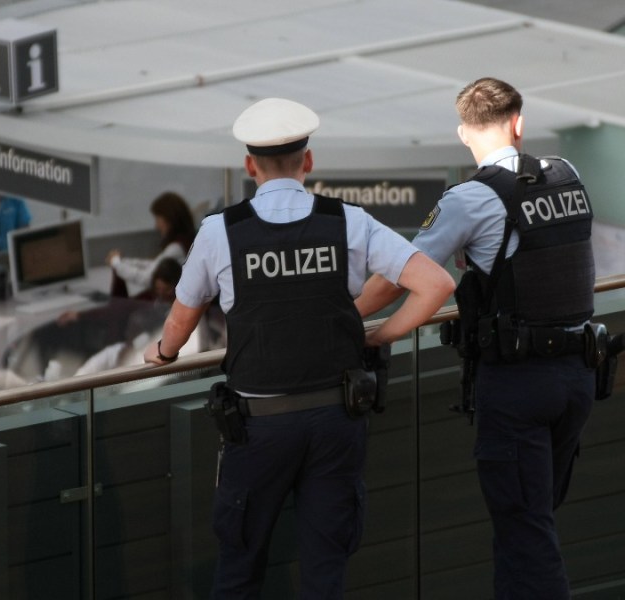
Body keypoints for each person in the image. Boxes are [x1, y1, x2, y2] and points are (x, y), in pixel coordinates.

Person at [143, 97, 455, 599]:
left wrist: (161, 352)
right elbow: (436, 284)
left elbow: (181, 321)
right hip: (337, 419)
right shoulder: (348, 221)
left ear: (250, 166)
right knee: (325, 569)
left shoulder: (221, 231)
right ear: (308, 161)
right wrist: (378, 335)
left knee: (240, 567)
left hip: (258, 426)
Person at [357, 77, 596, 600]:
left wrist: (351, 319)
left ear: (465, 134)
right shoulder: (567, 173)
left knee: (525, 531)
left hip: (517, 386)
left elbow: (403, 274)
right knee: (529, 524)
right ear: (519, 124)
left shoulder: (468, 198)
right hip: (578, 374)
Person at [106, 191, 196, 297]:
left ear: (169, 220)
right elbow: (154, 265)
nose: (156, 226)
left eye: (158, 219)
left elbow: (148, 278)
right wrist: (123, 261)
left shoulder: (176, 248)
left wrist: (116, 263)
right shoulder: (185, 241)